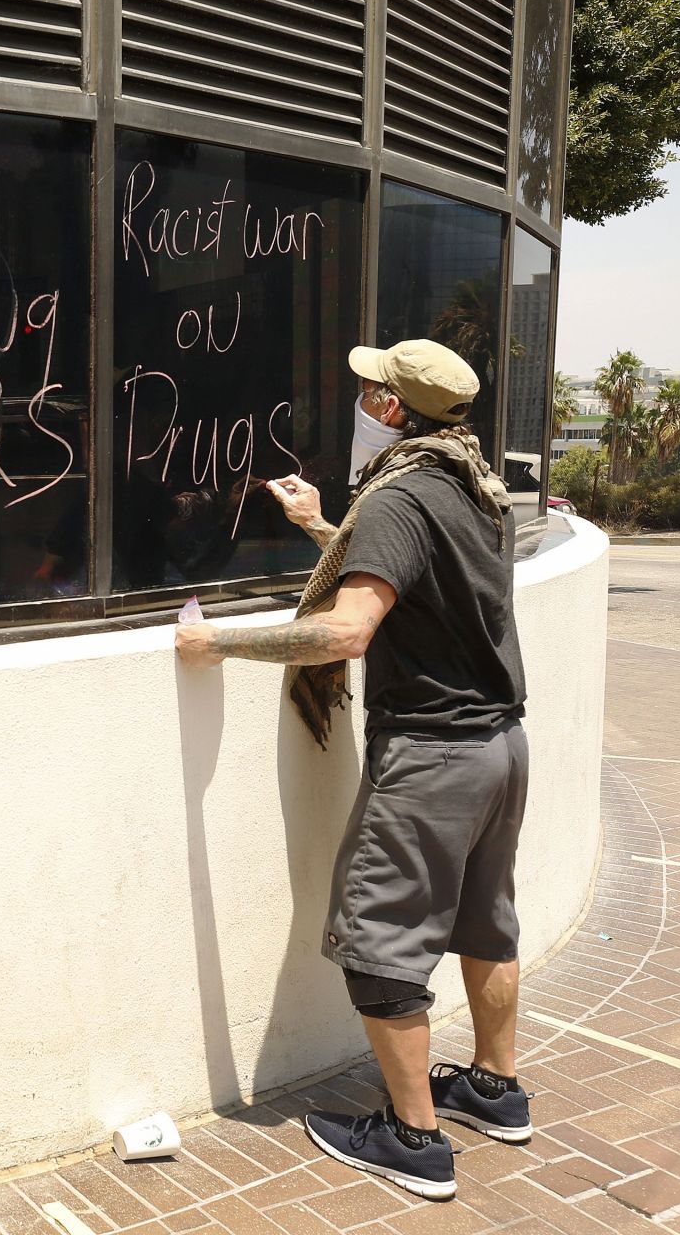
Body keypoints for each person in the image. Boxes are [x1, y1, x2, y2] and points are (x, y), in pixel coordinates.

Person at [175, 339, 533, 1202]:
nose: (363, 401)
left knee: (375, 943)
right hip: (500, 748)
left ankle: (414, 1138)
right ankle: (495, 1088)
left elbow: (344, 633)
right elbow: (412, 577)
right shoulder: (476, 489)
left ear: (396, 411)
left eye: (374, 391)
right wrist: (320, 529)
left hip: (432, 758)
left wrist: (216, 641)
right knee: (487, 923)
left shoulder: (398, 500)